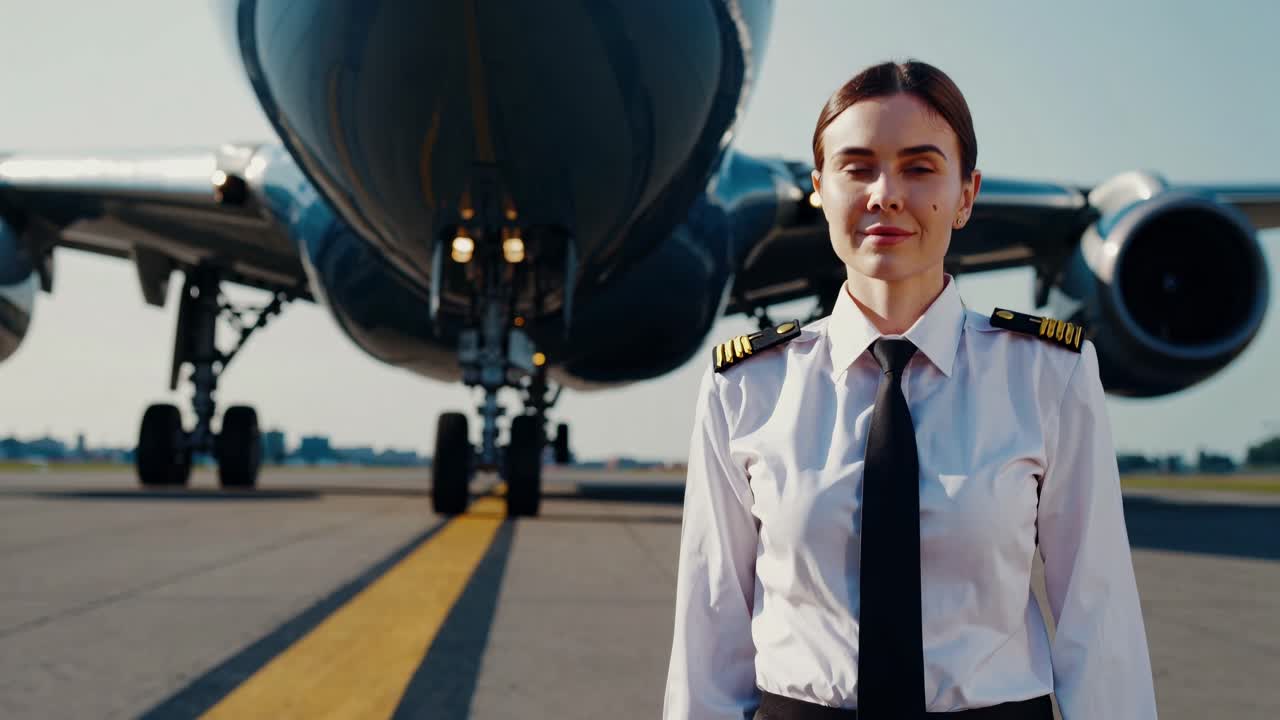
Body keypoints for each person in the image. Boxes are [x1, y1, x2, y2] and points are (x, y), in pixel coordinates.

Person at [663, 60, 1157, 719]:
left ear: (966, 195)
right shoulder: (747, 389)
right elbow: (710, 629)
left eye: (920, 168)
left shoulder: (1048, 376)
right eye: (857, 166)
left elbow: (1099, 620)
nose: (886, 194)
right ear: (819, 190)